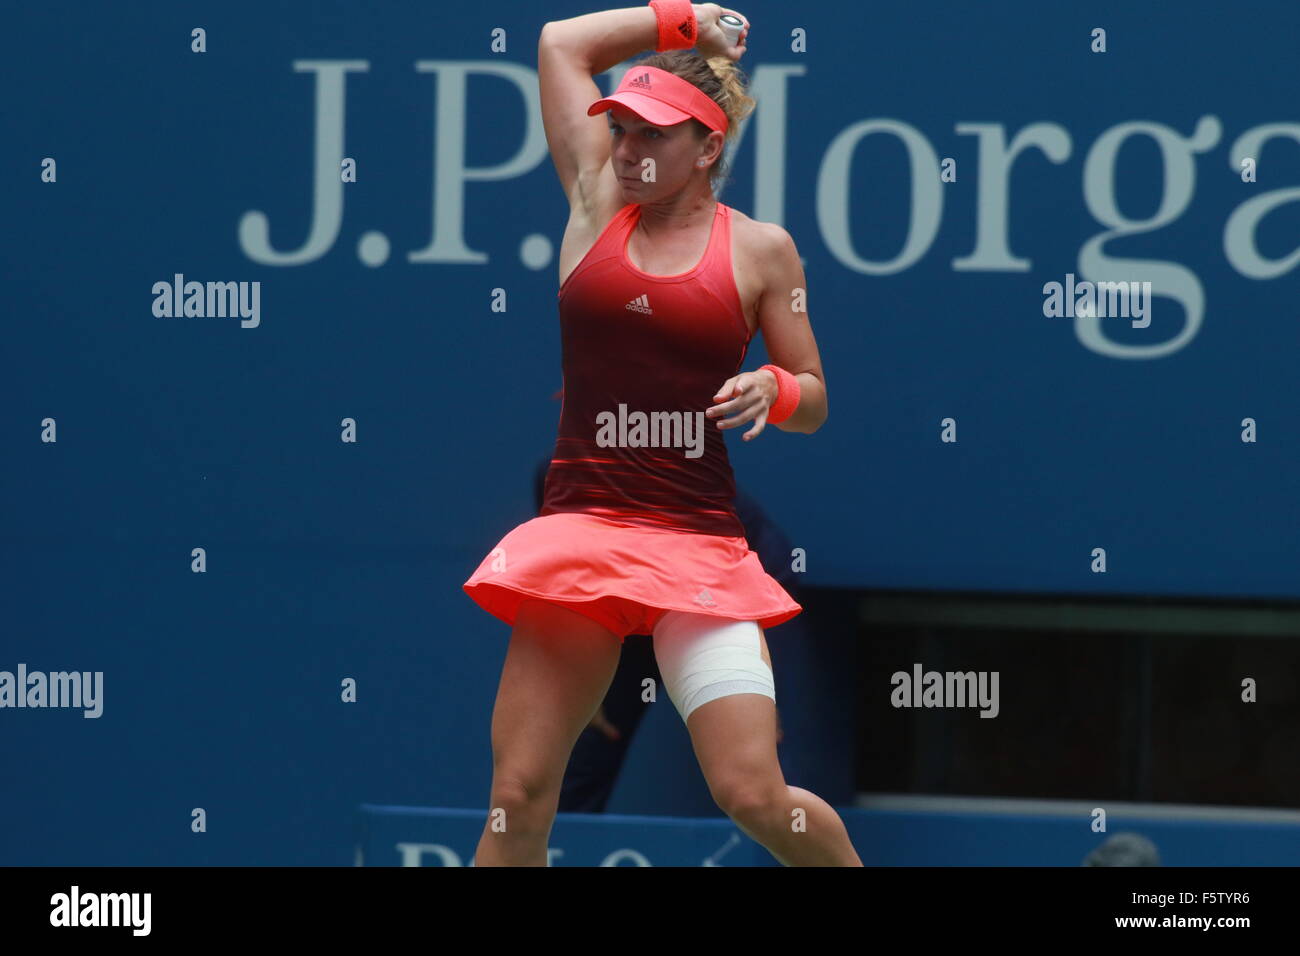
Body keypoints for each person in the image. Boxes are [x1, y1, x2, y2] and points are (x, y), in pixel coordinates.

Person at [463, 1, 859, 866]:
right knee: (517, 797)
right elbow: (560, 44)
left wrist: (775, 386)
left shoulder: (763, 254)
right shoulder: (595, 199)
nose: (631, 152)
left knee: (755, 795)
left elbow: (818, 394)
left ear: (708, 149)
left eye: (656, 137)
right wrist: (684, 23)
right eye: (624, 131)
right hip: (582, 538)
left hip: (700, 553)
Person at [524, 454, 807, 813]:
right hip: (628, 620)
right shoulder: (558, 472)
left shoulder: (693, 477)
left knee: (757, 770)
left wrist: (761, 682)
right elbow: (566, 572)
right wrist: (575, 680)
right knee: (584, 742)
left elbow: (776, 572)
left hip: (713, 612)